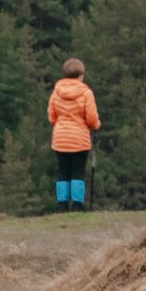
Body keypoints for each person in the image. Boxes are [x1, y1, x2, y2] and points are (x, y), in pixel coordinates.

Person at [47, 60, 100, 210]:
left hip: (60, 138)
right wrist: (96, 125)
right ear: (81, 75)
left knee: (63, 171)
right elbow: (91, 117)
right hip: (79, 139)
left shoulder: (57, 91)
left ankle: (61, 204)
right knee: (78, 171)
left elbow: (51, 116)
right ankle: (77, 204)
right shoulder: (86, 93)